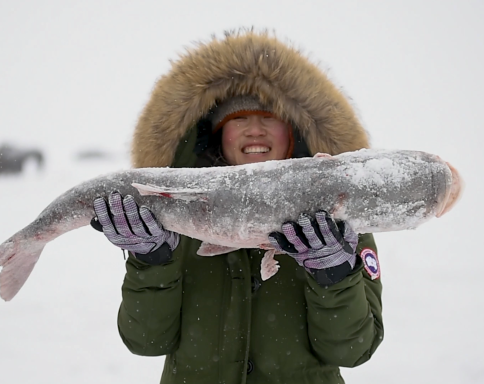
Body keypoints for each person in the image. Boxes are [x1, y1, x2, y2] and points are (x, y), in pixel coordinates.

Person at [90, 30, 383, 384]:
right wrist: (153, 262)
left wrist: (333, 274)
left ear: (295, 132)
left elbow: (352, 350)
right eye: (238, 119)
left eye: (269, 117)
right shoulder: (167, 215)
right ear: (216, 134)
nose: (254, 131)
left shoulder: (339, 216)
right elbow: (146, 340)